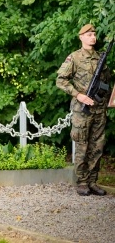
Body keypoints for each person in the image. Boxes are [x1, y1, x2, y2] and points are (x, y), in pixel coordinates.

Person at [56, 24, 111, 196]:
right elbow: (61, 80)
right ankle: (81, 182)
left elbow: (106, 82)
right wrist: (78, 95)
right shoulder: (74, 58)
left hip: (99, 109)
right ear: (81, 37)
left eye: (94, 34)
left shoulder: (100, 57)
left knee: (97, 146)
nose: (92, 37)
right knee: (82, 145)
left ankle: (93, 181)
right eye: (89, 34)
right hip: (82, 110)